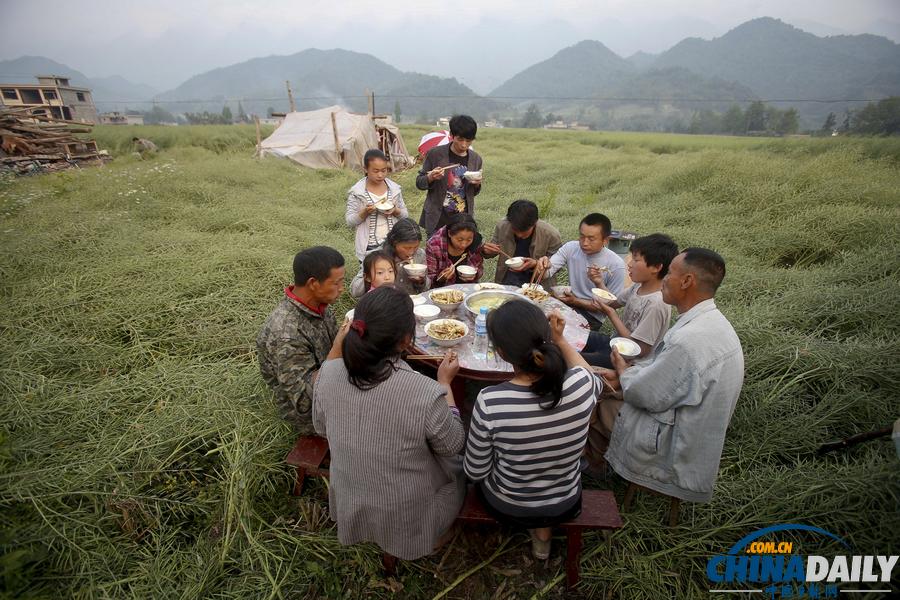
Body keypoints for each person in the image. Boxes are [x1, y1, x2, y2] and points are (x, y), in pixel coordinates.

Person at [313, 286, 466, 560]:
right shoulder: (425, 392)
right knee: (459, 471)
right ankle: (435, 534)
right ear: (406, 340)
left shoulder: (328, 372)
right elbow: (452, 444)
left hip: (352, 492)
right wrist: (445, 384)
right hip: (405, 511)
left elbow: (321, 428)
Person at [592, 248, 745, 502]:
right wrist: (624, 375)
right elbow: (661, 372)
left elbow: (643, 394)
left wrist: (622, 370)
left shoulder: (689, 341)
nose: (664, 280)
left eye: (670, 273)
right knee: (609, 383)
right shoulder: (712, 323)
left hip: (674, 443)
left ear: (686, 281)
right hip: (689, 428)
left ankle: (596, 469)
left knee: (594, 399)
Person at [464, 301, 600, 560]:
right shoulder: (582, 384)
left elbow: (475, 471)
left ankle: (537, 531)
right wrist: (560, 339)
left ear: (502, 353)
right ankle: (542, 536)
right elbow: (587, 372)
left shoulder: (491, 401)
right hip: (565, 502)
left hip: (508, 505)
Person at [256, 246, 345, 434]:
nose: (341, 288)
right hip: (311, 415)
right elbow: (304, 401)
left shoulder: (319, 306)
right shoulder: (286, 333)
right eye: (336, 283)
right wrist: (338, 349)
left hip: (332, 382)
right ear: (313, 283)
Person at [580, 233, 678, 368]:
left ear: (656, 267)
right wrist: (599, 282)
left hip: (628, 362)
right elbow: (613, 302)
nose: (629, 264)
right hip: (615, 345)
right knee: (574, 334)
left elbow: (640, 350)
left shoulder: (656, 304)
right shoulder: (638, 286)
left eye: (636, 260)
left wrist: (611, 314)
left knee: (571, 356)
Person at [538, 213, 626, 329]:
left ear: (605, 240)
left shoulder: (616, 265)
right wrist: (541, 264)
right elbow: (547, 272)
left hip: (591, 316)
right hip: (568, 305)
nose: (584, 243)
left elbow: (611, 306)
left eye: (591, 239)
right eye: (582, 236)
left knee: (553, 330)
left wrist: (576, 301)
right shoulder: (571, 248)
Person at [416, 115, 483, 237]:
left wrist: (477, 184)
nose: (464, 145)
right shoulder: (435, 154)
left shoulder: (476, 159)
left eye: (468, 141)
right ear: (452, 134)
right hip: (437, 219)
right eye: (460, 139)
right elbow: (419, 183)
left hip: (462, 221)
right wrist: (430, 177)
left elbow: (473, 193)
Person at [481, 199, 562, 288]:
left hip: (538, 285)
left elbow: (557, 265)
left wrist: (535, 264)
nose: (519, 235)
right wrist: (486, 251)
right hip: (508, 279)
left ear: (535, 223)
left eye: (524, 231)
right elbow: (492, 248)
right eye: (515, 230)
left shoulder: (550, 234)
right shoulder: (503, 226)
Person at [346, 149, 408, 262]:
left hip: (393, 244)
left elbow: (405, 216)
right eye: (375, 171)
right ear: (365, 169)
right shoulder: (357, 192)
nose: (380, 175)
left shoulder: (394, 189)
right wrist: (365, 212)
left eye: (384, 170)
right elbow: (350, 221)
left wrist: (395, 211)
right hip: (369, 247)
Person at [350, 218, 429, 297]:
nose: (411, 252)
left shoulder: (420, 254)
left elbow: (426, 288)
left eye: (415, 247)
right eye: (406, 248)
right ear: (394, 242)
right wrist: (377, 273)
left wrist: (421, 281)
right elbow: (354, 291)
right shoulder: (377, 257)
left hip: (412, 301)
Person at [426, 213, 484, 288]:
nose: (464, 245)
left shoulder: (476, 241)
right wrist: (440, 279)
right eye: (460, 240)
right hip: (443, 291)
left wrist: (475, 275)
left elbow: (479, 269)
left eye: (469, 240)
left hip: (468, 288)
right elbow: (429, 280)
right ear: (449, 233)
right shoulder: (435, 245)